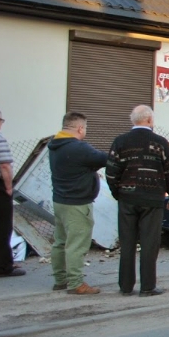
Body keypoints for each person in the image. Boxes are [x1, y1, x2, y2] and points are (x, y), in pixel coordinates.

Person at [106, 105, 169, 296]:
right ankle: (147, 287)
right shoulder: (160, 143)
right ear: (149, 120)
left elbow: (111, 171)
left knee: (127, 242)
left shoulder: (120, 142)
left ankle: (125, 286)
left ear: (134, 120)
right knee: (149, 243)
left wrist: (118, 193)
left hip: (127, 198)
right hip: (152, 199)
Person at [48, 111, 108, 294]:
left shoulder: (55, 145)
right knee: (76, 244)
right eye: (86, 128)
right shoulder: (78, 148)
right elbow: (105, 159)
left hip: (60, 200)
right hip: (77, 203)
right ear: (80, 128)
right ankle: (75, 283)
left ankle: (60, 280)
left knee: (60, 242)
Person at [0, 108, 24, 277]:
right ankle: (2, 266)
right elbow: (5, 165)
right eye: (1, 120)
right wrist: (8, 188)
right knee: (2, 226)